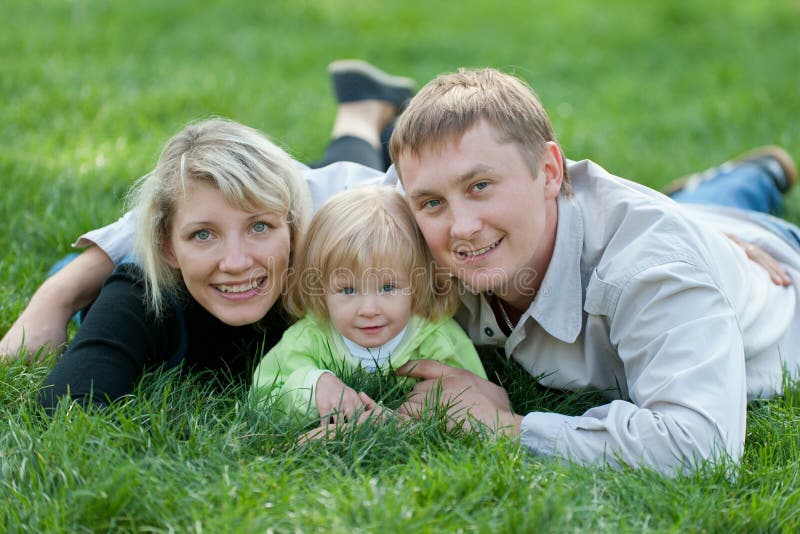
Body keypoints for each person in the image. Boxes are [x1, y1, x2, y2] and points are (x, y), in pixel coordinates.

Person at [387, 67, 800, 473]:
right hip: (684, 225)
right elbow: (332, 202)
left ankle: (753, 178)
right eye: (432, 202)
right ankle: (707, 201)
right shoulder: (412, 210)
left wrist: (507, 429)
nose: (462, 227)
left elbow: (699, 448)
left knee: (717, 214)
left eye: (480, 186)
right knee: (697, 212)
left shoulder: (657, 269)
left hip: (777, 262)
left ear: (549, 171)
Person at [32, 61, 417, 409]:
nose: (236, 262)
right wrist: (56, 297)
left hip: (336, 189)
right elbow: (69, 409)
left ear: (293, 228)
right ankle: (362, 111)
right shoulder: (143, 297)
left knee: (346, 176)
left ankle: (361, 115)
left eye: (260, 227)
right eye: (203, 235)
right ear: (168, 247)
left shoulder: (329, 257)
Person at [250, 186, 486, 423]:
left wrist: (413, 422)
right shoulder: (310, 338)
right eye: (348, 290)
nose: (369, 310)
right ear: (320, 289)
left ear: (418, 282)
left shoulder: (438, 340)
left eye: (388, 288)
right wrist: (312, 387)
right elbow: (261, 400)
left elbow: (479, 405)